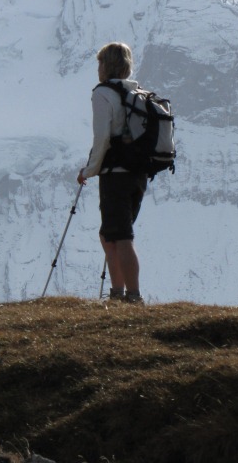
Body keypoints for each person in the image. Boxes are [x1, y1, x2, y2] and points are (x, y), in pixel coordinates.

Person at [77, 42, 148, 304]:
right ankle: (119, 294)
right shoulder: (137, 92)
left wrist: (89, 170)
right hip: (138, 174)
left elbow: (102, 137)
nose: (98, 69)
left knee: (121, 236)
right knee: (110, 234)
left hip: (115, 174)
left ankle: (132, 296)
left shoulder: (103, 93)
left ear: (106, 65)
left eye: (100, 63)